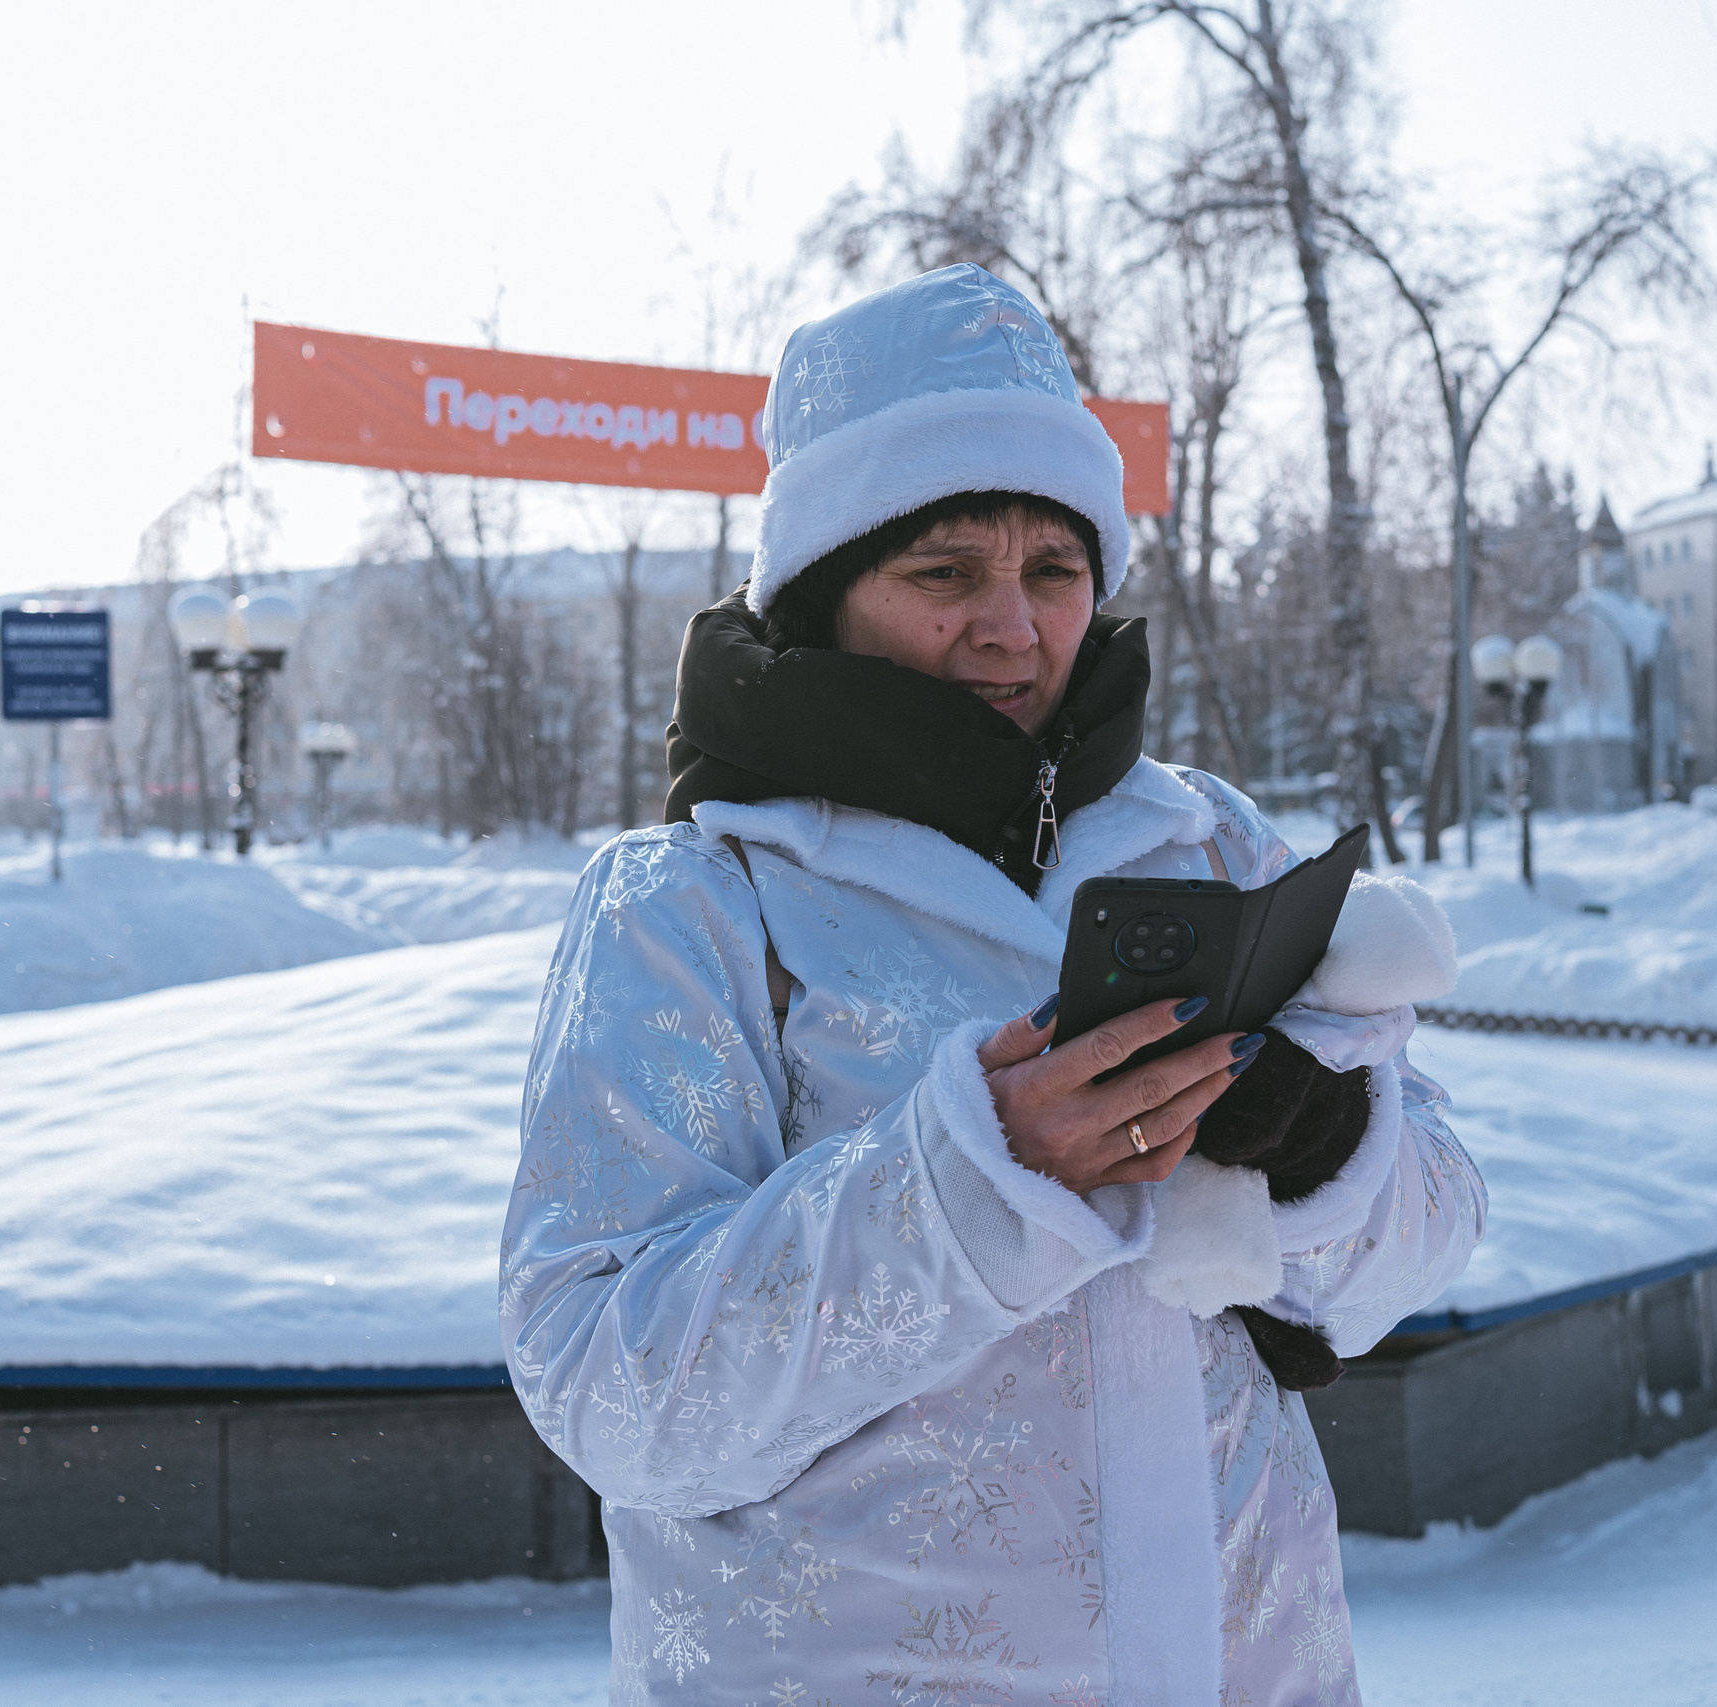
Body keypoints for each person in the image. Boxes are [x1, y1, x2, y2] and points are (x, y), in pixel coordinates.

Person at [501, 264, 1482, 1706]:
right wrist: (978, 1179)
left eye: (1054, 571)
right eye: (945, 572)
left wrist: (1319, 1147)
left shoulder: (1205, 838)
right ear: (832, 590)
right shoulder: (700, 900)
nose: (1012, 628)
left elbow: (1442, 1226)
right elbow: (611, 1390)